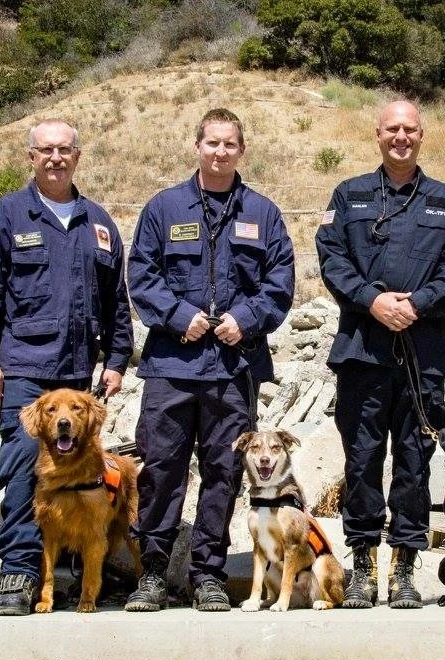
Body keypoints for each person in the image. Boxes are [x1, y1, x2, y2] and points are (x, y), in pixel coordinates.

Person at [0, 118, 133, 616]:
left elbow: (114, 302)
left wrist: (117, 359)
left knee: (83, 473)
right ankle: (17, 571)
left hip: (79, 373)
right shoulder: (5, 216)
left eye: (64, 149)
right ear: (30, 157)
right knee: (23, 465)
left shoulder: (99, 223)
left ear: (78, 155)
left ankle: (75, 569)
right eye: (45, 150)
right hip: (22, 370)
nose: (55, 157)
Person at [125, 108, 294, 612]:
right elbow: (142, 274)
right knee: (161, 470)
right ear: (197, 145)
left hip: (233, 367)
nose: (219, 152)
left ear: (241, 150)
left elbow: (280, 280)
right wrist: (179, 315)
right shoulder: (163, 207)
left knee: (223, 472)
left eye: (229, 144)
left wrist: (246, 316)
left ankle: (208, 575)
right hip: (171, 367)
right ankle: (153, 573)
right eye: (211, 143)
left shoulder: (261, 212)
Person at [316, 100, 445, 609]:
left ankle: (405, 567)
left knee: (414, 461)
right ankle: (363, 565)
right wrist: (373, 301)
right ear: (377, 134)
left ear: (422, 135)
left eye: (409, 129)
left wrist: (419, 304)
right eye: (392, 129)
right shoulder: (349, 194)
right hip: (363, 350)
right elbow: (332, 259)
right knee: (362, 460)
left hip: (422, 353)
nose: (400, 137)